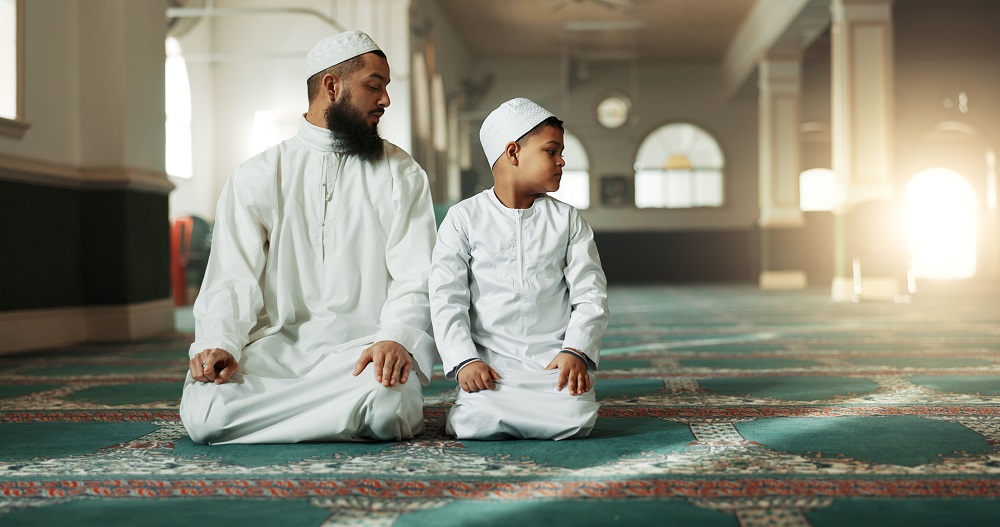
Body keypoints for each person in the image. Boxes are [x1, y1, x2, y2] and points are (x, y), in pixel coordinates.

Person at [179, 30, 437, 444]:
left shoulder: (401, 173)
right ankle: (337, 418)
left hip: (361, 354)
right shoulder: (257, 175)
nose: (385, 100)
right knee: (206, 412)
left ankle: (279, 420)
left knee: (390, 406)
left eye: (386, 88)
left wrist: (396, 337)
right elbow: (231, 278)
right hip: (275, 354)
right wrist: (219, 342)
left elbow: (418, 275)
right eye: (374, 86)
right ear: (331, 87)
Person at [429, 98, 609, 440]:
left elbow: (591, 296)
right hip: (491, 366)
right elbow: (446, 299)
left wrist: (575, 351)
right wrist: (465, 360)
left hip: (552, 364)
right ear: (513, 152)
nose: (561, 161)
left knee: (576, 415)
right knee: (476, 419)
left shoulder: (567, 219)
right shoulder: (463, 218)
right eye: (551, 151)